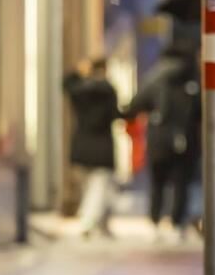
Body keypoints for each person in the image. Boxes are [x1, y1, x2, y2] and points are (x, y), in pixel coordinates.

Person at [124, 38, 201, 240]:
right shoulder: (193, 79)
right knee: (181, 183)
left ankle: (155, 221)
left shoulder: (154, 77)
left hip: (159, 139)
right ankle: (176, 223)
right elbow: (201, 111)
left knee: (157, 182)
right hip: (186, 139)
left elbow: (135, 105)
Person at [63, 58, 121, 238]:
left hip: (82, 144)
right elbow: (115, 114)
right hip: (101, 145)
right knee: (99, 186)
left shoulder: (80, 90)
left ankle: (99, 223)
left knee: (91, 186)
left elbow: (66, 83)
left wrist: (78, 70)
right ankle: (89, 221)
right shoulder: (108, 90)